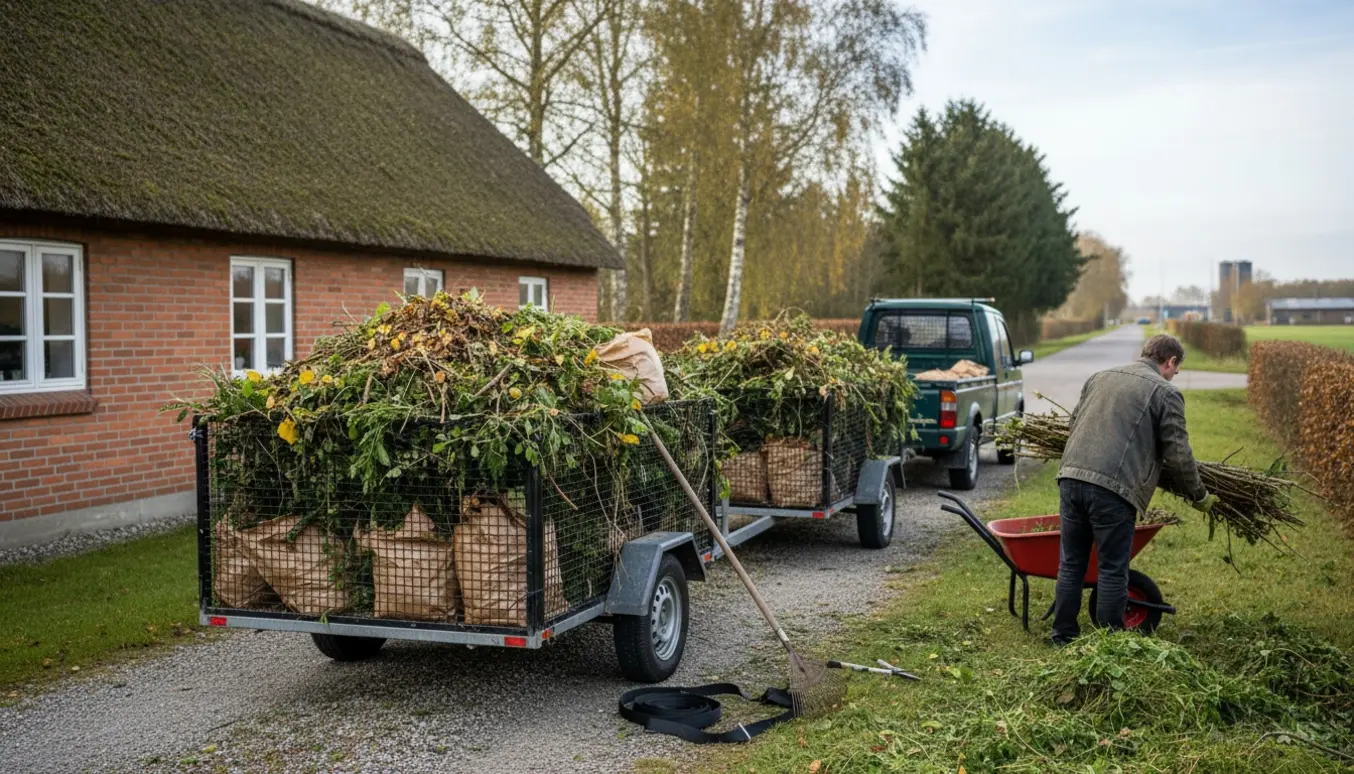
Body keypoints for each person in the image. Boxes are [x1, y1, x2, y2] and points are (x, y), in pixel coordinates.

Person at [1051, 333, 1218, 645]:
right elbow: (1179, 455)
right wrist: (1200, 495)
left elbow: (1074, 425)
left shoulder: (1099, 377)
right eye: (1176, 369)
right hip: (1113, 490)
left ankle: (1063, 635)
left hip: (1070, 478)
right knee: (1113, 569)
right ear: (1170, 362)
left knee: (1071, 563)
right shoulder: (1166, 392)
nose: (1174, 375)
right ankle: (1110, 643)